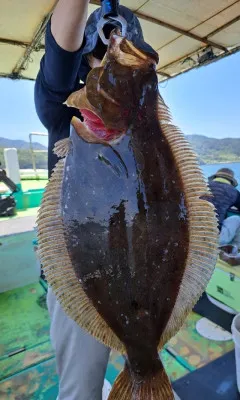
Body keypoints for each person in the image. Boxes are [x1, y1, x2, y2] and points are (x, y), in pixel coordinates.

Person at [34, 2, 144, 399]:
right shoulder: (64, 102)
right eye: (106, 53)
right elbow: (62, 51)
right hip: (81, 274)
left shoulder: (143, 113)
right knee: (81, 389)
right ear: (88, 54)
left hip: (136, 270)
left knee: (142, 366)